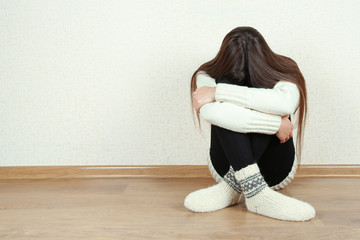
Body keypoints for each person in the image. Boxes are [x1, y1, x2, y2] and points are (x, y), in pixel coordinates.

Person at [185, 26, 316, 222]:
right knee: (224, 111)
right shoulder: (206, 74)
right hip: (225, 164)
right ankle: (255, 192)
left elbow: (285, 103)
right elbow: (213, 112)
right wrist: (275, 125)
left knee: (259, 95)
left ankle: (235, 187)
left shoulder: (285, 68)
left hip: (275, 169)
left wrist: (219, 93)